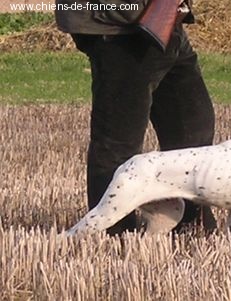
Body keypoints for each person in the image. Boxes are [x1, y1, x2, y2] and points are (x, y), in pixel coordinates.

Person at [55, 0, 217, 235]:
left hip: (163, 20)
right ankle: (114, 236)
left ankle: (191, 224)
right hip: (118, 29)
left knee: (194, 125)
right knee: (119, 141)